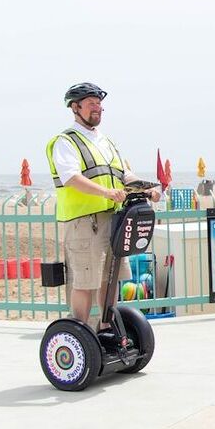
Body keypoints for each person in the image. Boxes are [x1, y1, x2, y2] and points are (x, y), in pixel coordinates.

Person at [46, 83, 160, 331]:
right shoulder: (65, 141)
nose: (98, 108)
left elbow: (123, 174)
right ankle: (81, 331)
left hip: (113, 219)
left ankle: (106, 329)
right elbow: (71, 177)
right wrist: (107, 192)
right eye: (91, 104)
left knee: (110, 279)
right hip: (85, 221)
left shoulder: (105, 141)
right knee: (85, 281)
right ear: (75, 108)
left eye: (99, 104)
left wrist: (147, 189)